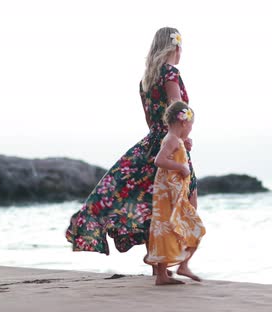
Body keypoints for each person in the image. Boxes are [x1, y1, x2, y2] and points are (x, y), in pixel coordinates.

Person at [65, 27, 197, 275]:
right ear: (176, 48)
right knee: (188, 200)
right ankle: (182, 264)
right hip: (171, 143)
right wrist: (182, 137)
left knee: (152, 205)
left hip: (151, 144)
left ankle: (161, 270)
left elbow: (151, 118)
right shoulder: (170, 73)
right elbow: (178, 108)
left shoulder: (146, 80)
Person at [144, 101, 205, 285]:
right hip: (168, 195)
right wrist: (180, 167)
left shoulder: (175, 140)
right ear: (184, 123)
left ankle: (173, 270)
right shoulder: (171, 139)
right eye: (191, 126)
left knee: (171, 228)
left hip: (174, 193)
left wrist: (183, 147)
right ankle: (178, 267)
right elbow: (159, 160)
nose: (191, 130)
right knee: (191, 227)